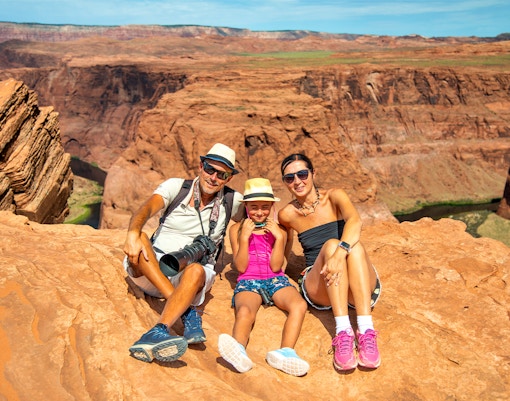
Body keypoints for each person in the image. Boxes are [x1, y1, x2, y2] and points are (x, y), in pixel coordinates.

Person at [123, 143, 244, 363]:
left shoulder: (231, 201)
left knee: (196, 270)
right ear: (200, 166)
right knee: (141, 238)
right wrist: (132, 232)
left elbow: (261, 211)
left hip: (189, 276)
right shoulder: (176, 187)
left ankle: (158, 331)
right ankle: (187, 312)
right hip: (152, 267)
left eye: (222, 174)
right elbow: (146, 209)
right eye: (209, 169)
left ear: (228, 178)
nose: (213, 177)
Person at [277, 153, 382, 371]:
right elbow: (284, 249)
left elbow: (355, 220)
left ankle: (365, 331)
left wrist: (339, 254)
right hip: (320, 285)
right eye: (289, 178)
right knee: (331, 244)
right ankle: (343, 333)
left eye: (302, 174)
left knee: (352, 246)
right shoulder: (287, 214)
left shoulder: (335, 196)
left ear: (313, 174)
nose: (297, 181)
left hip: (355, 283)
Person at [218, 178, 309, 376]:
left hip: (275, 279)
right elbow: (241, 267)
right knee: (244, 311)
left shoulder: (280, 231)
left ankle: (286, 353)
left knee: (299, 305)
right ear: (246, 207)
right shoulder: (236, 229)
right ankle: (239, 351)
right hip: (248, 280)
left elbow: (277, 266)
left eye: (265, 207)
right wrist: (244, 238)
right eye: (254, 207)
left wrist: (279, 238)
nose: (260, 212)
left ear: (272, 207)